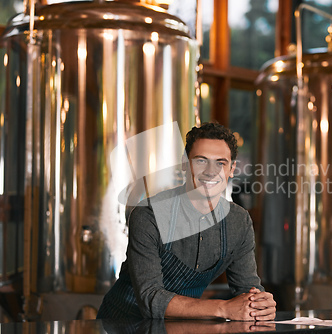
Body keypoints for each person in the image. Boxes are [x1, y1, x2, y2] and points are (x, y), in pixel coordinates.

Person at [97, 122, 276, 320]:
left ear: (232, 168)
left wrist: (260, 304)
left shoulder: (239, 221)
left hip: (182, 326)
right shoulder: (149, 215)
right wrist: (223, 308)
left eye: (220, 163)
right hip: (122, 324)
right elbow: (150, 298)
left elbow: (247, 288)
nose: (210, 171)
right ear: (184, 163)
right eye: (201, 161)